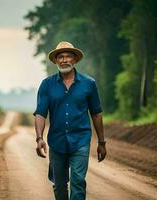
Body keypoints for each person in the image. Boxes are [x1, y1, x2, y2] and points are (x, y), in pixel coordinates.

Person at [33, 41, 106, 200]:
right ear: (56, 60)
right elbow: (40, 113)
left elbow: (96, 114)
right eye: (61, 57)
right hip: (57, 141)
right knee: (59, 185)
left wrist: (102, 142)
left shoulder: (89, 84)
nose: (64, 60)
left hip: (80, 141)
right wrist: (39, 138)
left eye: (68, 56)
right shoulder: (47, 85)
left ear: (75, 60)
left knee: (78, 181)